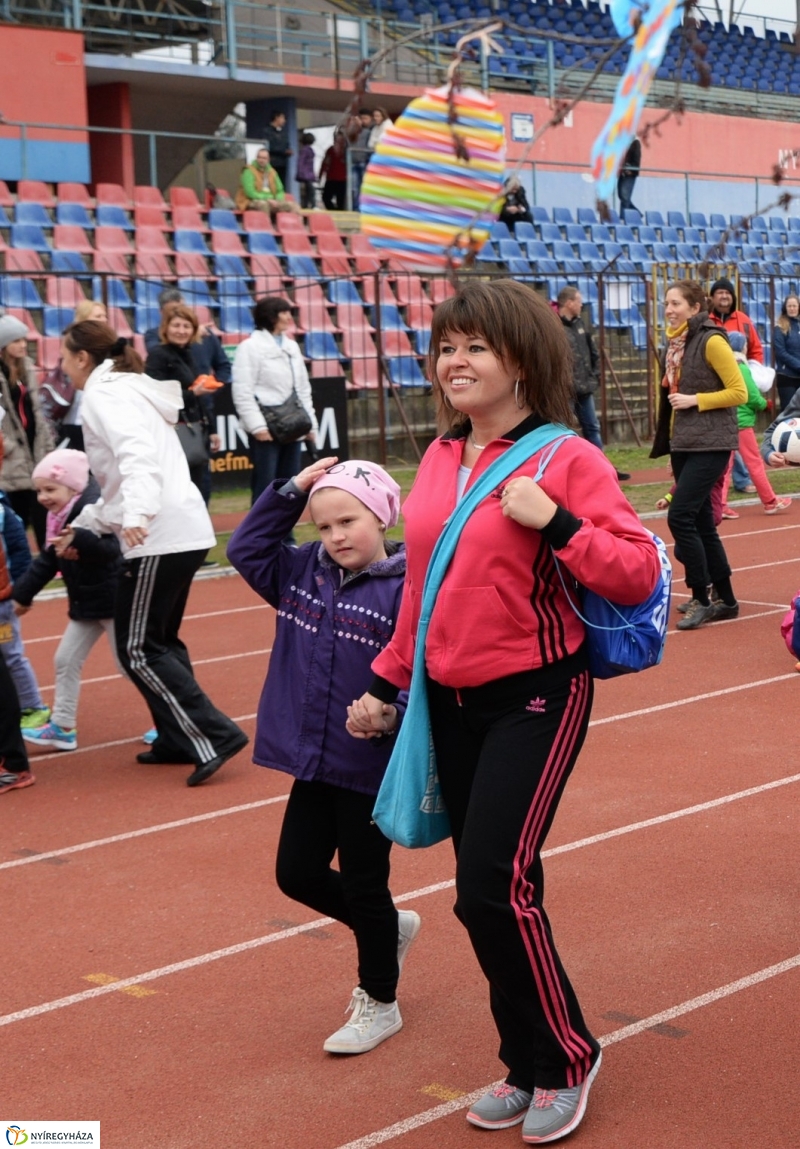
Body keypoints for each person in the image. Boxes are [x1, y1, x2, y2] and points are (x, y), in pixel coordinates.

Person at [348, 279, 660, 1143]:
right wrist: (386, 679)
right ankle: (524, 1059)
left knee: (493, 882)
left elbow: (635, 570)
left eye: (475, 346)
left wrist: (558, 523)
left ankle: (566, 1055)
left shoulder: (566, 458)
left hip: (535, 693)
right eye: (447, 345)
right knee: (487, 890)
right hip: (446, 699)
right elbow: (425, 581)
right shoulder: (444, 457)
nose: (454, 361)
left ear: (522, 360)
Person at [227, 456, 420, 1055]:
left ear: (382, 516)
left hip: (369, 765)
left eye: (349, 521)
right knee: (297, 873)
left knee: (366, 883)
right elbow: (245, 548)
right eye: (324, 526)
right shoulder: (298, 572)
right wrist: (292, 490)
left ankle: (380, 1002)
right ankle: (389, 928)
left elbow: (422, 667)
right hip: (313, 760)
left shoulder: (407, 587)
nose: (336, 537)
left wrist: (392, 709)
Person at [57, 321, 248, 787]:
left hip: (159, 533)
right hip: (181, 527)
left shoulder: (105, 395)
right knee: (161, 640)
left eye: (64, 357)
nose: (61, 367)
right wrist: (88, 521)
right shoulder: (128, 390)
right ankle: (175, 738)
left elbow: (136, 457)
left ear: (83, 358)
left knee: (137, 647)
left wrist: (138, 514)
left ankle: (213, 734)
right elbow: (126, 480)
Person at [12, 449, 132, 753]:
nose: (42, 497)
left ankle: (170, 722)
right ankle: (63, 727)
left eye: (50, 489)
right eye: (38, 490)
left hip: (114, 600)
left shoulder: (94, 510)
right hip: (87, 602)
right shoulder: (58, 518)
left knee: (130, 666)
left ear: (74, 487)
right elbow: (46, 562)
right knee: (65, 660)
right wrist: (21, 596)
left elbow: (112, 550)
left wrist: (78, 540)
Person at [650, 280, 746, 630]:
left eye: (676, 303)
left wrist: (696, 400)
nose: (670, 309)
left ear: (695, 308)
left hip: (712, 443)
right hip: (685, 442)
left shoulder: (712, 340)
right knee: (702, 522)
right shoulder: (675, 344)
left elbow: (739, 392)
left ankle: (703, 597)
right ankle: (727, 599)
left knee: (681, 517)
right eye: (666, 303)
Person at [232, 297, 318, 506]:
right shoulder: (249, 347)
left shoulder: (291, 346)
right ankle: (258, 536)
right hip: (266, 428)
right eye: (284, 312)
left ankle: (286, 536)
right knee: (265, 485)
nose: (289, 317)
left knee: (291, 485)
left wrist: (311, 424)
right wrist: (257, 426)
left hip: (293, 424)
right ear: (271, 316)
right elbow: (242, 390)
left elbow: (302, 389)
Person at [0, 429, 50, 734]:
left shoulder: (5, 512)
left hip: (3, 600)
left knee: (10, 654)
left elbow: (20, 552)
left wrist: (19, 592)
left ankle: (33, 706)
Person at [145, 303, 220, 495]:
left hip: (195, 429)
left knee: (200, 486)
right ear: (166, 328)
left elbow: (196, 393)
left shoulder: (188, 353)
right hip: (172, 432)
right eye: (176, 325)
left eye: (186, 326)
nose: (181, 331)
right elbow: (156, 396)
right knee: (182, 489)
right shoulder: (157, 355)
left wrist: (212, 429)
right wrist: (193, 394)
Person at [557, 287, 630, 482]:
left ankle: (604, 469)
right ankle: (569, 472)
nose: (581, 304)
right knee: (564, 431)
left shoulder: (582, 324)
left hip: (585, 388)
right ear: (569, 303)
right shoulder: (554, 327)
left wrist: (594, 377)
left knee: (592, 429)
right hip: (566, 391)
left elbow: (594, 353)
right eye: (578, 300)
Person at [717, 332, 790, 517]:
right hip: (741, 422)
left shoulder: (723, 365)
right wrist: (765, 404)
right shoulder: (741, 367)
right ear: (742, 347)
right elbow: (750, 395)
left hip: (726, 420)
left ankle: (720, 505)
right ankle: (770, 501)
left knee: (725, 467)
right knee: (755, 463)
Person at [0, 313, 55, 550]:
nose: (23, 345)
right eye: (16, 341)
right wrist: (9, 447)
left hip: (34, 448)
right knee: (18, 513)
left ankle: (47, 560)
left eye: (24, 340)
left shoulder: (27, 370)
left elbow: (37, 411)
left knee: (41, 512)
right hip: (13, 454)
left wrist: (46, 443)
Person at [708, 277, 764, 363]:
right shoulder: (706, 320)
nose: (724, 296)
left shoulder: (744, 319)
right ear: (712, 297)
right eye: (720, 292)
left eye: (728, 293)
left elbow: (755, 351)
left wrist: (753, 369)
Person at [235, 147, 300, 217]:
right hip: (250, 201)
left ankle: (294, 226)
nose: (261, 160)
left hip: (272, 200)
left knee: (294, 206)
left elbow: (280, 190)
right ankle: (266, 227)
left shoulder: (272, 172)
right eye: (259, 157)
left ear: (268, 160)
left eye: (264, 158)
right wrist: (268, 199)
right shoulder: (248, 171)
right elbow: (250, 193)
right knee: (264, 205)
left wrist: (277, 200)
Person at [773, 292, 800, 413]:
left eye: (794, 305)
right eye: (790, 306)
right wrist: (798, 365)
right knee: (789, 413)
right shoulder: (780, 327)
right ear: (785, 308)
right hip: (787, 377)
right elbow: (781, 352)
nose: (792, 308)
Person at [348, 109, 374, 209]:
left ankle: (362, 208)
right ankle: (355, 207)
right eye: (361, 118)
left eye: (365, 118)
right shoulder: (352, 132)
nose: (362, 121)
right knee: (354, 188)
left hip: (364, 161)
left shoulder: (370, 131)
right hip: (353, 162)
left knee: (363, 187)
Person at [263, 110, 292, 190]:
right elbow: (268, 146)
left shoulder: (283, 132)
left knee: (281, 185)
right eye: (282, 118)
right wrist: (283, 151)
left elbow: (286, 144)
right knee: (271, 184)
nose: (284, 121)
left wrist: (288, 151)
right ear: (276, 118)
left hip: (282, 164)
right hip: (272, 163)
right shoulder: (267, 131)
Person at [321, 132, 347, 211]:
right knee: (326, 197)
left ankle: (339, 214)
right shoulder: (330, 150)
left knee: (341, 201)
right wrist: (321, 174)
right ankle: (333, 211)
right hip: (331, 178)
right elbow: (325, 163)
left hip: (342, 179)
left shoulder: (346, 151)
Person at [617, 137, 641, 215]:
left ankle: (624, 217)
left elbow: (636, 159)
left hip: (629, 174)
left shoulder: (635, 143)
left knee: (625, 197)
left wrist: (631, 170)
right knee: (621, 196)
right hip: (622, 173)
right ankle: (636, 214)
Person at [296, 132, 317, 210]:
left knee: (308, 190)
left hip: (308, 173)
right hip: (306, 173)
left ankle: (305, 205)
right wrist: (301, 172)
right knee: (311, 190)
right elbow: (301, 161)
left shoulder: (306, 149)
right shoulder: (305, 150)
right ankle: (312, 205)